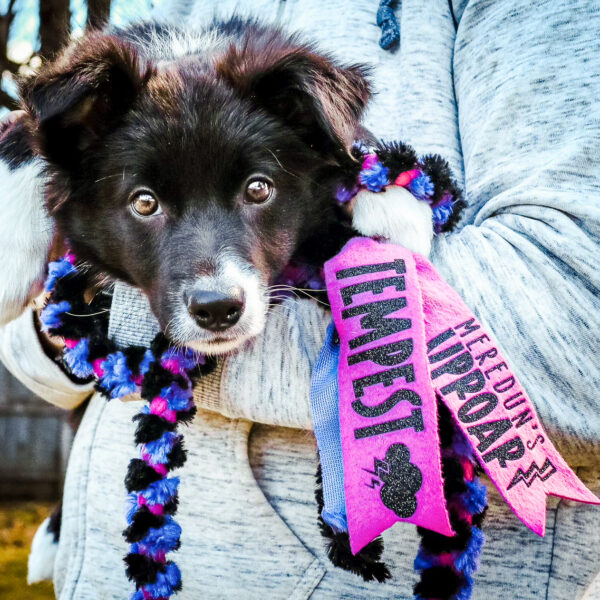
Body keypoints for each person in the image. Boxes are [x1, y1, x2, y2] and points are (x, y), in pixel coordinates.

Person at [1, 0, 599, 598]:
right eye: (147, 204)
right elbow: (37, 358)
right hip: (115, 566)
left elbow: (577, 321)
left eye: (256, 188)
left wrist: (105, 309)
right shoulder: (179, 13)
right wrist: (66, 302)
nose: (214, 282)